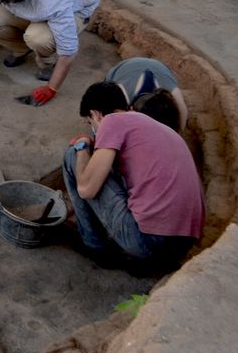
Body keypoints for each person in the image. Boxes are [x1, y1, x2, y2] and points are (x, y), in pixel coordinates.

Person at [63, 82, 204, 271]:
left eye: (91, 123)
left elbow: (86, 189)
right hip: (182, 246)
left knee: (73, 155)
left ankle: (94, 245)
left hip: (148, 242)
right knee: (105, 168)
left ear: (95, 114)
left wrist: (82, 145)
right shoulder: (158, 128)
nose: (94, 129)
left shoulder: (112, 121)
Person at [105, 57, 189, 131]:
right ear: (131, 109)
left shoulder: (177, 102)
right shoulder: (119, 95)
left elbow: (178, 131)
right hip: (124, 68)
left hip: (160, 68)